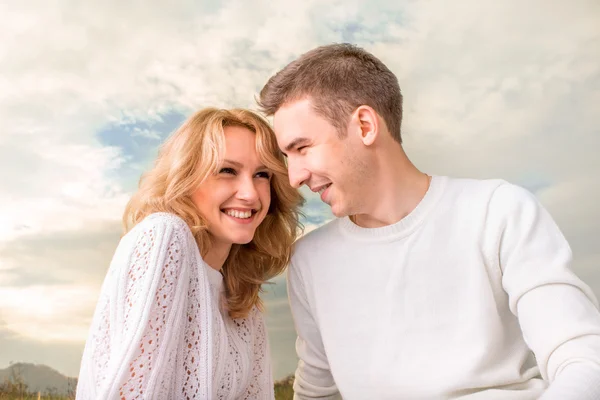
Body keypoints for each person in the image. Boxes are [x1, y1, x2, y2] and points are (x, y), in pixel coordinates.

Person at [257, 43, 600, 399]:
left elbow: (583, 358)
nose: (294, 176)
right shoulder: (309, 260)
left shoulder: (498, 211)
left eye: (302, 148)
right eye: (286, 155)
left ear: (364, 125)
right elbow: (316, 391)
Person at [76, 108, 303, 399]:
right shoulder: (164, 236)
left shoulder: (243, 297)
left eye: (262, 175)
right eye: (227, 171)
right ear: (187, 178)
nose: (250, 193)